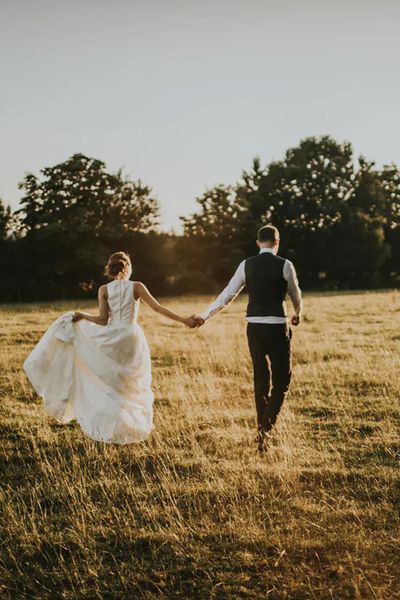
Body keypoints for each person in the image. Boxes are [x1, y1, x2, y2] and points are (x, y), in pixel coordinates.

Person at [23, 251, 197, 444]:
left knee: (113, 383)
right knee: (132, 382)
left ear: (110, 269)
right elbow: (157, 308)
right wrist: (184, 320)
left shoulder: (104, 289)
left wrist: (82, 315)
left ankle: (114, 425)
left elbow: (102, 320)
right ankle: (131, 424)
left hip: (112, 337)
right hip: (131, 336)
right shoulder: (137, 286)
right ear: (128, 267)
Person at [194, 225, 303, 453]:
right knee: (282, 382)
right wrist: (297, 312)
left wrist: (205, 316)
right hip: (276, 327)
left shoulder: (246, 265)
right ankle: (265, 429)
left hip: (254, 328)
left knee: (260, 380)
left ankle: (262, 431)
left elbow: (227, 295)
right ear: (277, 241)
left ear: (257, 242)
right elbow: (295, 293)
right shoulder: (285, 264)